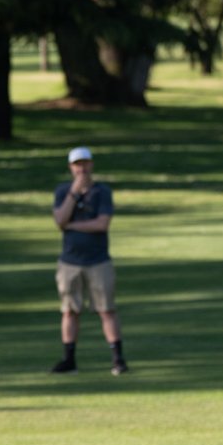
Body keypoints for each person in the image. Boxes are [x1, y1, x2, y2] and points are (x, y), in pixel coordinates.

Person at [51, 147, 128, 376]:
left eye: (85, 163)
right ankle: (69, 359)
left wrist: (72, 226)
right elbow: (59, 220)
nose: (81, 168)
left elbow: (101, 224)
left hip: (98, 260)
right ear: (70, 167)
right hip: (69, 262)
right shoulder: (63, 191)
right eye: (77, 164)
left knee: (106, 309)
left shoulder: (102, 191)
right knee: (69, 311)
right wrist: (74, 194)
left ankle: (118, 359)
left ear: (92, 164)